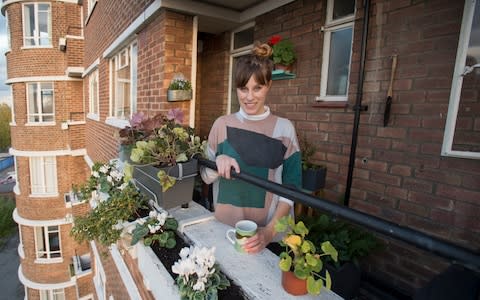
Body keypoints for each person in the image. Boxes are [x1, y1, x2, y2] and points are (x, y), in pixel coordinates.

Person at [201, 42, 302, 254]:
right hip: (224, 230)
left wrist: (269, 232)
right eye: (243, 88)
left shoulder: (284, 129)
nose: (249, 97)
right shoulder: (222, 124)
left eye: (257, 88)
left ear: (269, 85)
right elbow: (206, 176)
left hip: (268, 238)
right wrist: (217, 162)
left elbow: (291, 189)